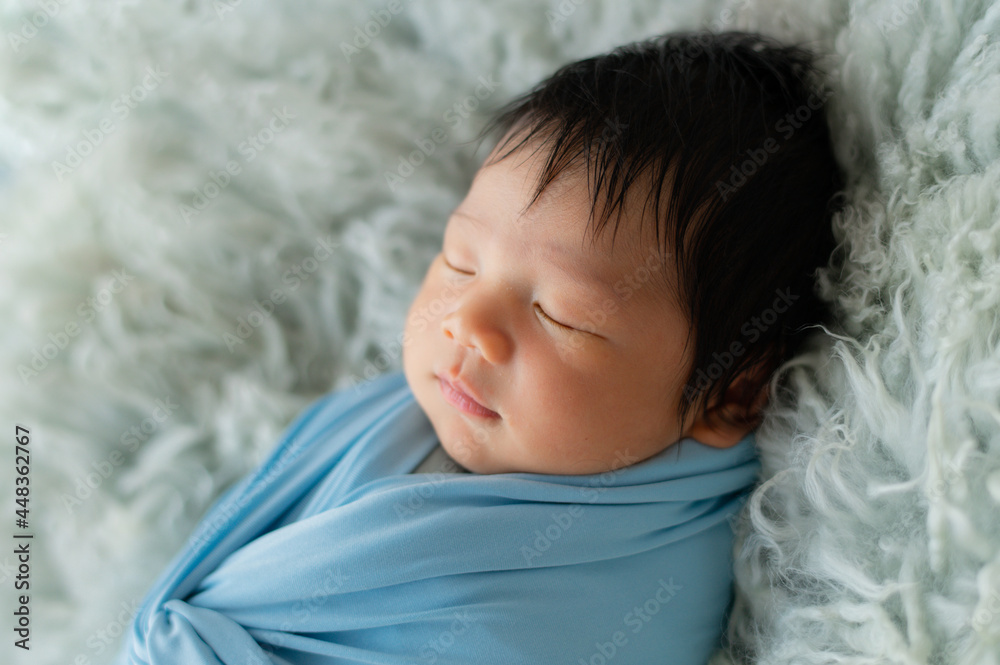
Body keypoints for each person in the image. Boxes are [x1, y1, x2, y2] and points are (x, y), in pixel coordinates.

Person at [115, 30, 843, 665]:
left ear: (732, 389)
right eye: (460, 260)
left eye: (563, 315)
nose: (468, 321)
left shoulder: (610, 604)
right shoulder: (401, 422)